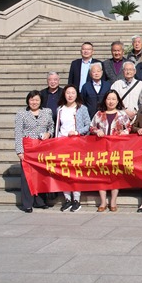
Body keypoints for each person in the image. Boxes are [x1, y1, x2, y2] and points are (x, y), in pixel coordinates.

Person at [89, 90, 131, 212]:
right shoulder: (99, 114)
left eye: (113, 99)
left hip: (116, 149)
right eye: (108, 99)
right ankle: (103, 202)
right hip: (101, 148)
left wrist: (123, 133)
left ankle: (113, 201)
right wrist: (97, 131)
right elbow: (91, 127)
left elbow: (129, 127)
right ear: (105, 100)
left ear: (118, 101)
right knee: (101, 174)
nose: (111, 101)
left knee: (115, 174)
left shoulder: (122, 114)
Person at [15, 90, 54, 212]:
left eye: (37, 100)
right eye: (32, 100)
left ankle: (40, 201)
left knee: (41, 175)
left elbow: (51, 126)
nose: (34, 102)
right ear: (28, 101)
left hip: (42, 148)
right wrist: (19, 151)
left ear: (41, 101)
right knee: (27, 176)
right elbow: (18, 133)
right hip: (28, 148)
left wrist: (49, 134)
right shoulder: (21, 113)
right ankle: (27, 203)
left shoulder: (47, 111)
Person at [54, 84, 91, 212]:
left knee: (75, 171)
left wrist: (77, 132)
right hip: (62, 143)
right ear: (64, 94)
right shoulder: (60, 109)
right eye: (68, 93)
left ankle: (76, 199)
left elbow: (89, 125)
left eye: (73, 93)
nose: (70, 95)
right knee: (64, 171)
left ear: (77, 95)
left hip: (76, 143)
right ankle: (67, 199)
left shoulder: (82, 108)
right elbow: (58, 127)